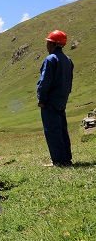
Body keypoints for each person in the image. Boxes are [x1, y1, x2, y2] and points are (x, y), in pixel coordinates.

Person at [36, 30, 74, 167]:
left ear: (52, 44)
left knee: (52, 130)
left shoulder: (50, 59)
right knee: (62, 129)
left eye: (48, 42)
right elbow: (69, 81)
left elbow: (45, 81)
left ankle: (58, 161)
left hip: (50, 101)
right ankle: (66, 158)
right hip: (61, 100)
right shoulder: (68, 60)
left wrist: (41, 99)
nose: (47, 45)